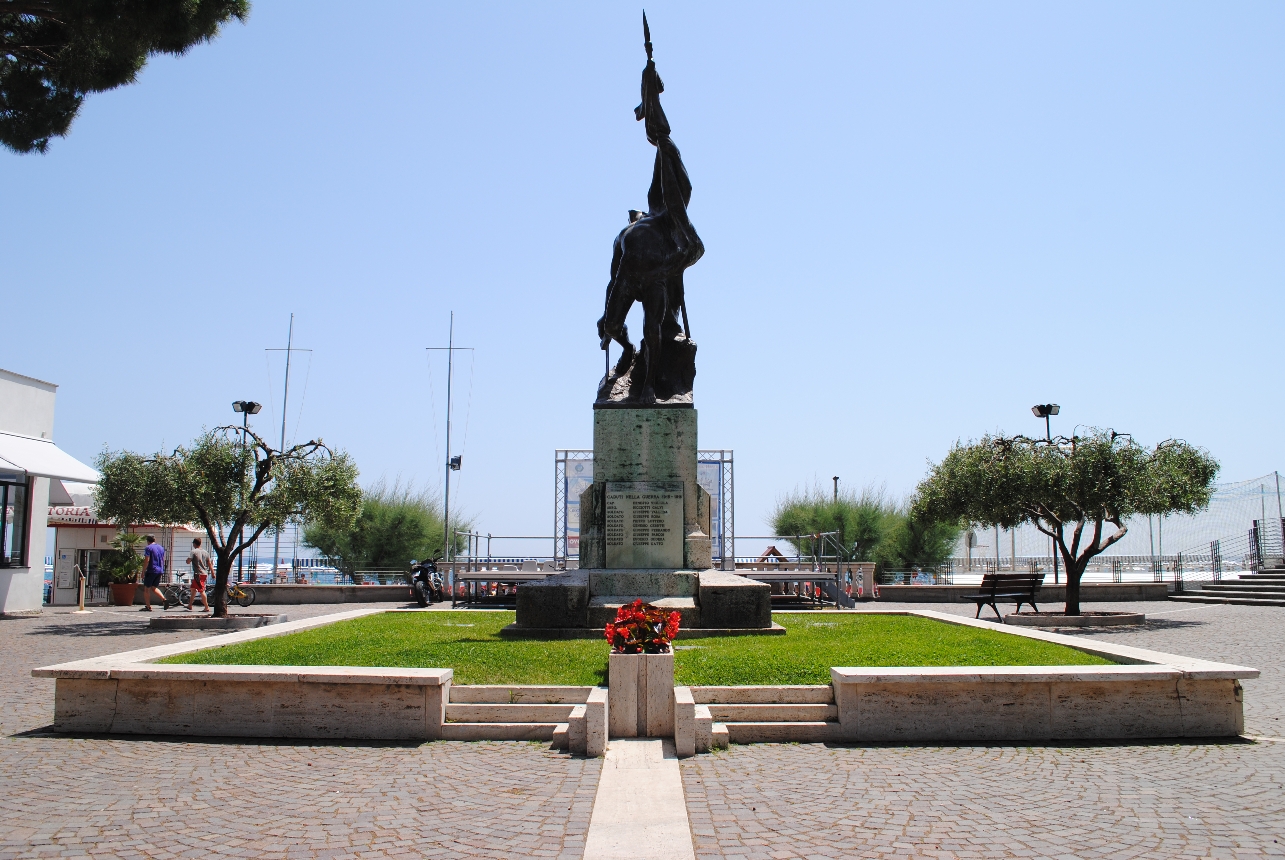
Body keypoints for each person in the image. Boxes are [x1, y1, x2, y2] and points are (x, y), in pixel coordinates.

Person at [140, 534, 168, 611]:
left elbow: (147, 560)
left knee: (146, 589)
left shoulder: (148, 548)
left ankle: (148, 606)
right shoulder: (161, 548)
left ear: (147, 541)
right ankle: (164, 599)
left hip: (152, 570)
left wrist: (143, 571)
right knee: (154, 587)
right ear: (154, 540)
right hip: (160, 570)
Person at [185, 537, 212, 613]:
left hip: (198, 574)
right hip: (204, 573)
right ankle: (190, 605)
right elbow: (209, 563)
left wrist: (187, 560)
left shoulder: (193, 551)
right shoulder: (206, 552)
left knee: (201, 590)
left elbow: (188, 561)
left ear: (194, 543)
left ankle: (206, 607)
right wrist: (213, 573)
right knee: (193, 589)